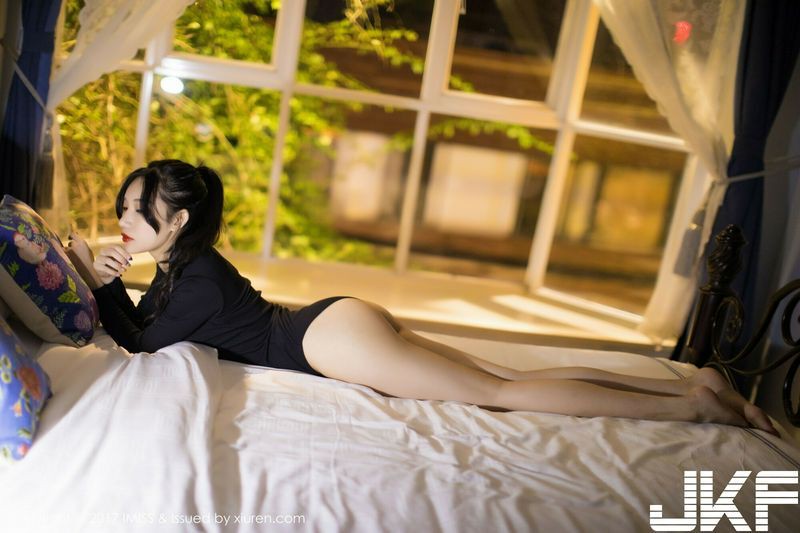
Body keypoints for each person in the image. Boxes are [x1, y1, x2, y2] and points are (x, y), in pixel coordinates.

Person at [66, 159, 779, 437]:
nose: (124, 218)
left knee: (501, 393)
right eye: (125, 207)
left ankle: (690, 407)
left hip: (328, 341)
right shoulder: (184, 268)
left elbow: (139, 342)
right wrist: (106, 278)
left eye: (136, 209)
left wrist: (99, 281)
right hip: (332, 325)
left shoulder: (194, 279)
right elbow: (143, 325)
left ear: (177, 220)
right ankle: (694, 384)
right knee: (505, 378)